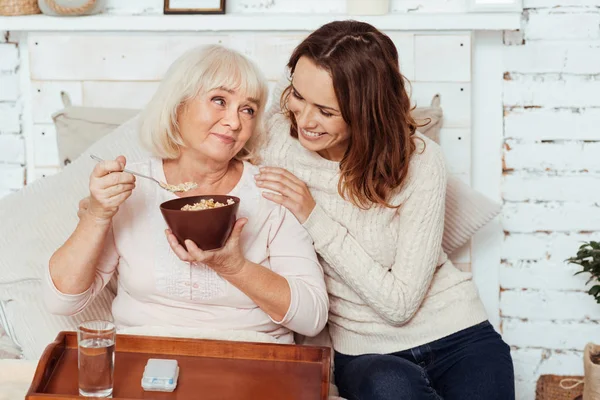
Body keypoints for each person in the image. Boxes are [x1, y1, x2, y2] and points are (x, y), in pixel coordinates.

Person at [254, 20, 515, 399]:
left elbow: (400, 304)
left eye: (326, 111)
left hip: (458, 332)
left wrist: (313, 215)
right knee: (389, 387)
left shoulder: (420, 161)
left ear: (365, 110)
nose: (305, 120)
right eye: (298, 96)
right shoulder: (277, 140)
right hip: (366, 351)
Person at [44, 45, 329, 344]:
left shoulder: (271, 190)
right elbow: (62, 302)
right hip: (144, 356)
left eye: (248, 109)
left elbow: (312, 317)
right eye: (219, 100)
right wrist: (97, 215)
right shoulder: (131, 187)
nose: (234, 122)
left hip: (250, 358)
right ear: (178, 104)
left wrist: (234, 267)